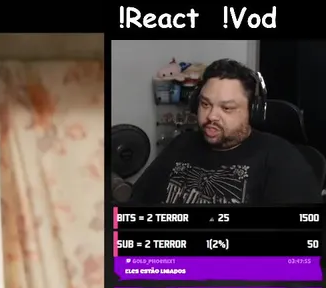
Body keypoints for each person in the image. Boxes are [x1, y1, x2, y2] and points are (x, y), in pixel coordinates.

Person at [129, 58, 321, 205]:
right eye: (205, 104)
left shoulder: (282, 160)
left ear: (252, 112)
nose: (211, 116)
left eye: (227, 108)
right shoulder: (181, 144)